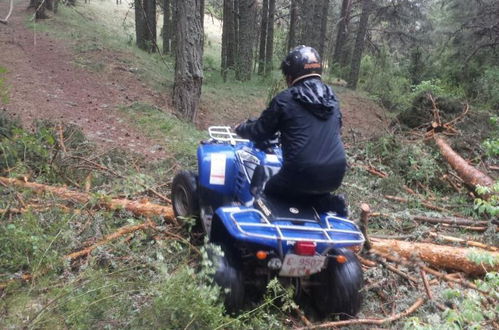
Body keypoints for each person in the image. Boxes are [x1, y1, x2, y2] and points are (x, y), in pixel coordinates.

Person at [235, 45, 347, 215]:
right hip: (335, 175)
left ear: (290, 75)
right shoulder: (332, 99)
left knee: (268, 191)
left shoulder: (285, 100)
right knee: (304, 190)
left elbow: (260, 131)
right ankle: (326, 202)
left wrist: (240, 129)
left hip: (299, 173)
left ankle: (263, 229)